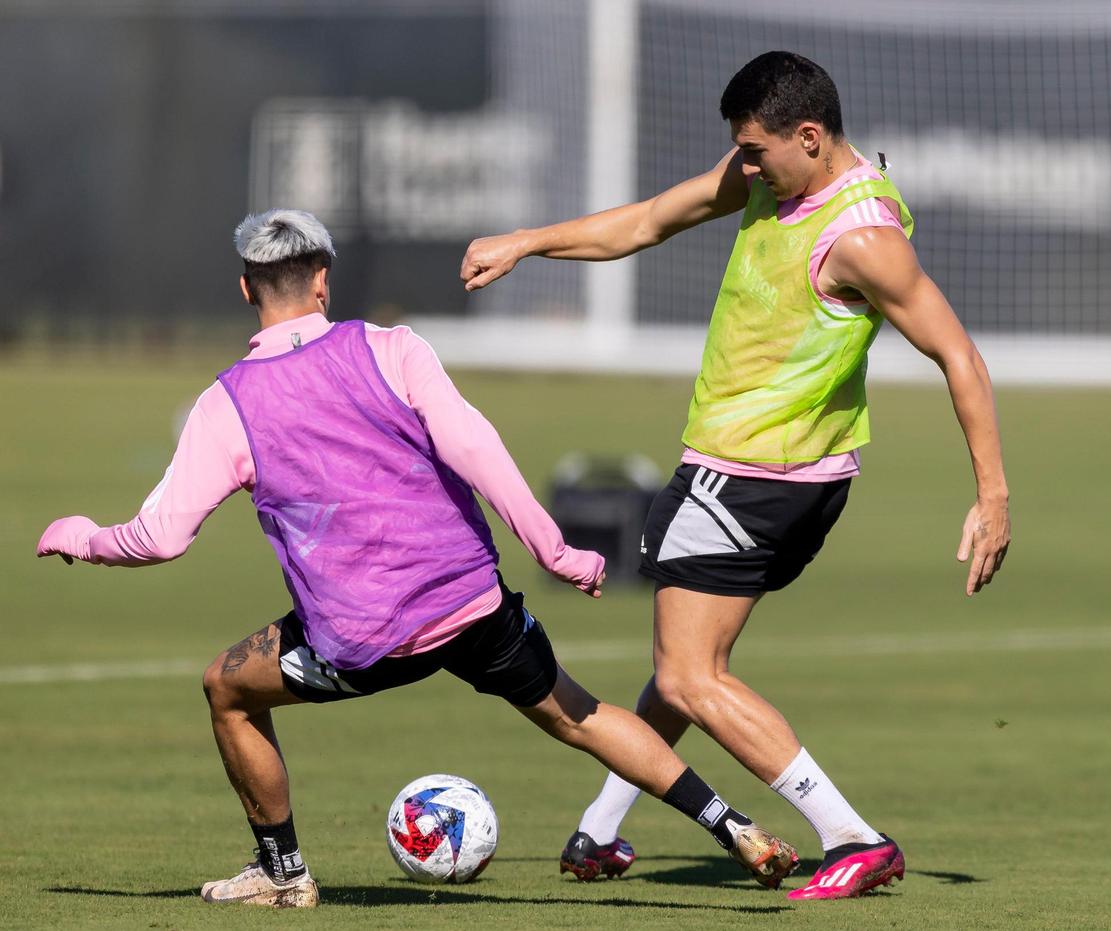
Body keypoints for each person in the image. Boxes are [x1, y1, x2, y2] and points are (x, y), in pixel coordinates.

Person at [35, 209, 803, 909]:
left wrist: (85, 537)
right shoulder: (391, 347)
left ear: (245, 290)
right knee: (581, 713)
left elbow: (159, 536)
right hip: (471, 602)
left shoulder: (226, 403)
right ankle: (731, 822)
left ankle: (280, 872)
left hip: (366, 639)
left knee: (227, 689)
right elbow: (474, 444)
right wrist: (554, 546)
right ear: (324, 280)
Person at [460, 51, 1011, 900]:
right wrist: (529, 242)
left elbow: (959, 355)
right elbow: (645, 221)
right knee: (692, 653)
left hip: (748, 476)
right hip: (800, 477)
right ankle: (599, 831)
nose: (744, 166)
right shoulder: (773, 179)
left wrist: (993, 494)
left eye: (756, 151)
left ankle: (853, 836)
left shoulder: (860, 236)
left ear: (811, 136)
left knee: (688, 673)